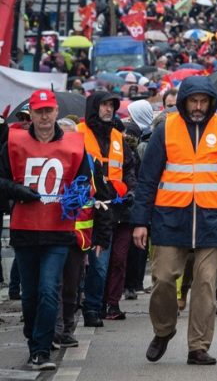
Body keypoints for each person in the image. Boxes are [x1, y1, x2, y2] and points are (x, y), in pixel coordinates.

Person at [131, 76, 217, 366]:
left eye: (203, 101)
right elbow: (147, 179)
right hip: (170, 218)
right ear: (183, 102)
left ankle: (198, 346)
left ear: (211, 103)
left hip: (211, 219)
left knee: (206, 286)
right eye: (193, 101)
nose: (197, 107)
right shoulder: (166, 128)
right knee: (163, 281)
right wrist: (139, 221)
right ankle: (163, 329)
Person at [0, 90, 91, 370]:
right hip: (25, 228)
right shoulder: (13, 143)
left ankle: (41, 350)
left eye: (48, 111)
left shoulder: (75, 145)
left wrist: (77, 195)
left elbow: (86, 180)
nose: (43, 117)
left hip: (58, 230)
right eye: (38, 111)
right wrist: (18, 190)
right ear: (32, 114)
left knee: (49, 289)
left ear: (55, 112)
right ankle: (34, 335)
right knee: (30, 294)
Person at [77, 92, 137, 325]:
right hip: (87, 208)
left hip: (115, 208)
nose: (108, 109)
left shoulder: (117, 137)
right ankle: (87, 306)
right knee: (88, 264)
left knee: (108, 263)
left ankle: (97, 307)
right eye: (103, 105)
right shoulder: (78, 135)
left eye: (111, 105)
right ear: (94, 107)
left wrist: (132, 190)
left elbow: (129, 168)